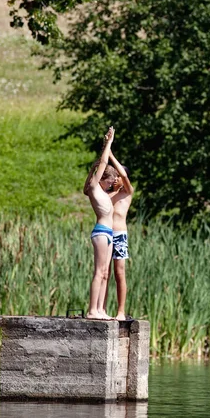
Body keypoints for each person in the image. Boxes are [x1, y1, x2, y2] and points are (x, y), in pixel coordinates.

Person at [83, 126, 117, 320]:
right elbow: (103, 162)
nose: (112, 183)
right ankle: (92, 310)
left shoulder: (100, 192)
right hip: (101, 232)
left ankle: (101, 310)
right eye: (110, 180)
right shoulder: (95, 188)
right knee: (99, 271)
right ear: (101, 178)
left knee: (106, 273)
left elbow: (83, 189)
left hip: (109, 233)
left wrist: (91, 169)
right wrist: (108, 144)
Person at [105, 150, 135, 321]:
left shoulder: (127, 193)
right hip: (107, 234)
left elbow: (123, 174)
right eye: (114, 176)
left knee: (119, 272)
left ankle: (121, 311)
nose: (116, 178)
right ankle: (101, 309)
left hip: (120, 235)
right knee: (105, 273)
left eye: (118, 176)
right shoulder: (108, 195)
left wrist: (110, 155)